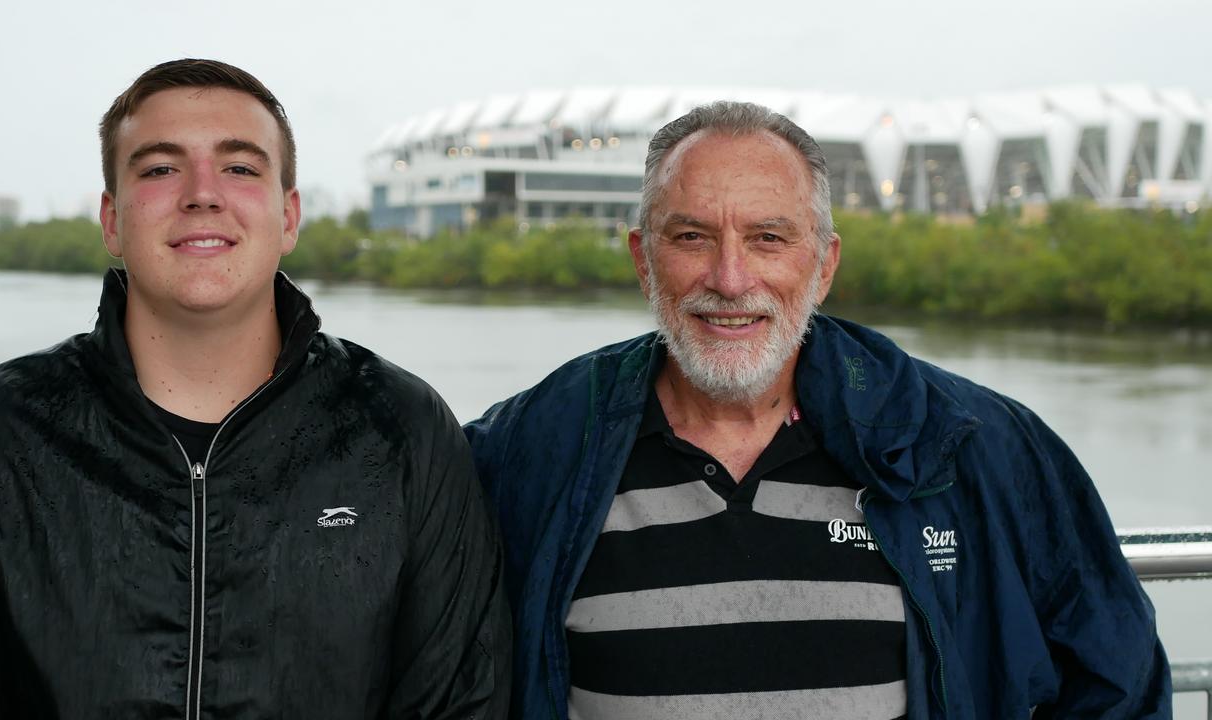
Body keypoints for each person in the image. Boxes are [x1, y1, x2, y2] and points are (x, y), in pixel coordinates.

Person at [466, 101, 1170, 719]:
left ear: (825, 265)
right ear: (643, 261)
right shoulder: (532, 450)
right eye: (691, 238)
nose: (731, 278)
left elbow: (1119, 682)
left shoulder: (971, 446)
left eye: (768, 237)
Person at [0, 58, 509, 719]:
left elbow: (464, 701)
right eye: (158, 168)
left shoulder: (401, 429)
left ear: (289, 217)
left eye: (239, 167)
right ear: (112, 219)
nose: (202, 193)